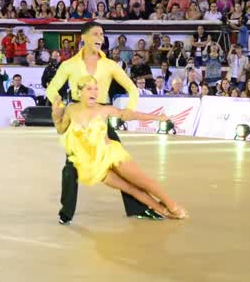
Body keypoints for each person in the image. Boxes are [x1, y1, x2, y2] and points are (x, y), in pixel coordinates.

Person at [46, 21, 161, 224]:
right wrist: (60, 105)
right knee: (70, 167)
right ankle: (66, 212)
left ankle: (139, 208)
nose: (101, 38)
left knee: (119, 164)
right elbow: (52, 88)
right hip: (79, 119)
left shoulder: (110, 65)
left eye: (102, 35)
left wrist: (129, 109)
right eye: (97, 34)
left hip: (101, 118)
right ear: (84, 37)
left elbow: (132, 89)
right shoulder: (69, 65)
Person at [52, 76, 187, 220]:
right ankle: (163, 211)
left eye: (96, 89)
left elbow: (130, 115)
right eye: (89, 88)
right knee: (129, 189)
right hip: (93, 164)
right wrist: (55, 115)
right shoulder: (71, 109)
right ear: (80, 92)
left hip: (111, 154)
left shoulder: (105, 109)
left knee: (142, 181)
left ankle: (172, 205)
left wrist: (158, 118)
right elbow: (61, 129)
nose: (94, 92)